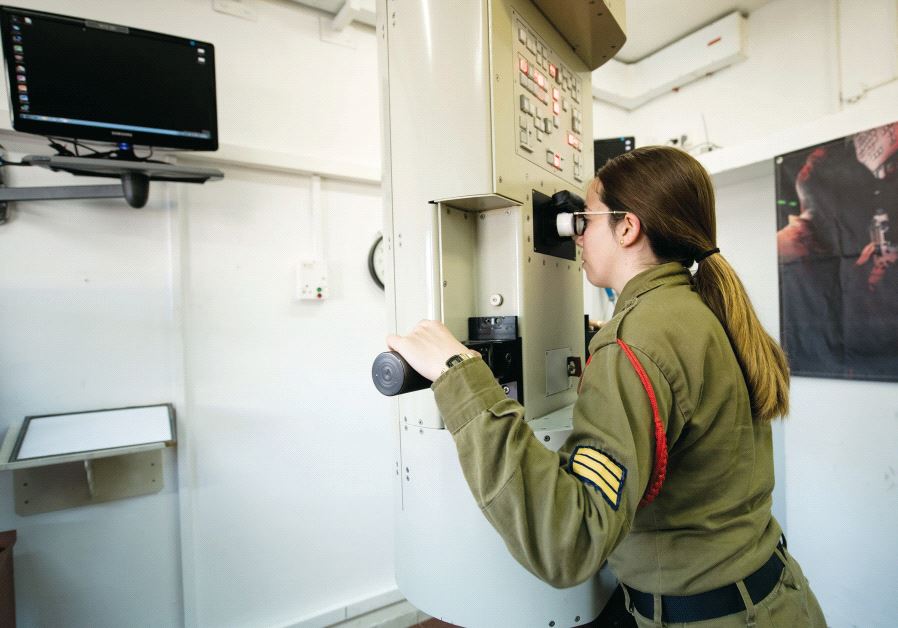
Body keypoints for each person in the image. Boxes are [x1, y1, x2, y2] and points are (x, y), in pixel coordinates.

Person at [387, 146, 826, 627]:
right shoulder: (701, 312)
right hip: (776, 598)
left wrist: (460, 375)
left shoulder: (637, 339)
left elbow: (569, 542)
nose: (577, 237)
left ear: (627, 227)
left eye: (586, 220)